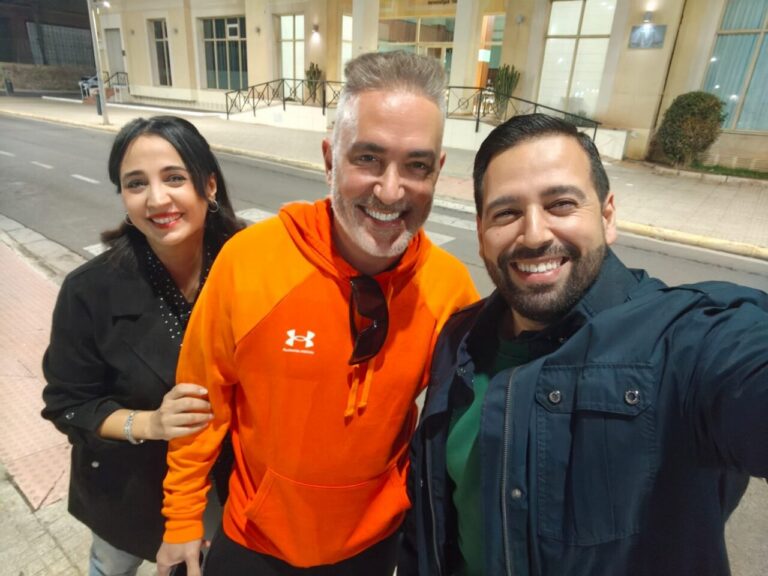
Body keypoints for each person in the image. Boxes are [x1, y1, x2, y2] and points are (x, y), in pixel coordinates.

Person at [155, 51, 479, 576]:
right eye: (367, 158)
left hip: (373, 548)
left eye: (416, 165)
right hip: (254, 539)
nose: (391, 191)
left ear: (438, 171)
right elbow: (201, 401)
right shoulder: (251, 260)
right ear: (331, 158)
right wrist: (182, 519)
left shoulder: (449, 290)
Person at [400, 113, 768, 576]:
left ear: (608, 215)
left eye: (560, 204)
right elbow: (433, 512)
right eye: (507, 212)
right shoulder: (460, 340)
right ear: (480, 233)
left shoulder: (682, 340)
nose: (534, 234)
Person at [41, 115, 243, 576]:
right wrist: (150, 422)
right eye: (136, 184)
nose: (157, 199)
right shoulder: (90, 289)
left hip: (224, 486)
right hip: (127, 493)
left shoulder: (249, 264)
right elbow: (68, 403)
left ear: (209, 185)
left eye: (174, 178)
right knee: (111, 565)